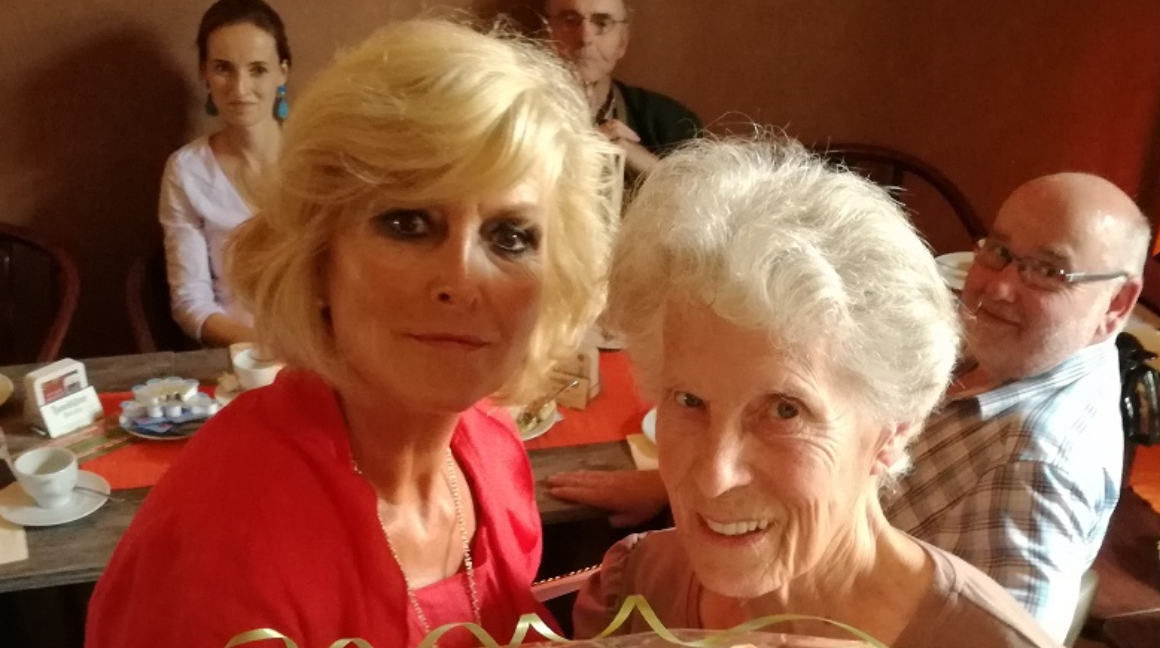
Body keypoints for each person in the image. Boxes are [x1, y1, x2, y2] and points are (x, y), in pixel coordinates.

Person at [86, 19, 618, 648]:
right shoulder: (224, 541)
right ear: (316, 258)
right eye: (408, 223)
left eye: (510, 236)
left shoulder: (492, 451)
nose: (461, 281)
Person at [571, 138, 1057, 648]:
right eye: (690, 400)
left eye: (785, 410)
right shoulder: (637, 588)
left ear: (893, 430)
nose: (715, 476)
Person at [883, 172, 1149, 643]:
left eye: (1047, 271)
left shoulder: (1037, 470)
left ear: (1117, 303)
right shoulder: (1027, 350)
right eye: (999, 251)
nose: (999, 288)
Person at [160, 0, 290, 346]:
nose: (240, 88)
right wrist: (262, 347)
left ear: (282, 73)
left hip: (325, 351)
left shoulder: (320, 159)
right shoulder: (186, 171)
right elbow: (190, 302)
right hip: (240, 355)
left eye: (257, 69)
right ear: (204, 72)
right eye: (223, 68)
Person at [544, 0, 701, 180]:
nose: (585, 38)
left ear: (622, 42)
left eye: (602, 23)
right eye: (570, 20)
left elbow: (700, 196)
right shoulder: (519, 116)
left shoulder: (673, 124)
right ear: (546, 34)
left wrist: (654, 171)